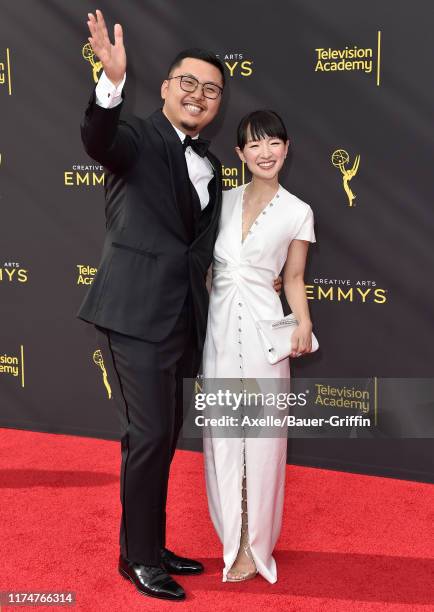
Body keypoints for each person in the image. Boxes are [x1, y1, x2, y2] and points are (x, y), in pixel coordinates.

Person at [78, 10, 225, 602]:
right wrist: (109, 85)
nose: (198, 94)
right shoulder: (136, 137)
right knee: (149, 435)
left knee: (162, 438)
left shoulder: (211, 164)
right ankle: (135, 558)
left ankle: (149, 541)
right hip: (134, 314)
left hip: (178, 318)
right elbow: (99, 139)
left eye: (211, 89)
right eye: (187, 82)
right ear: (164, 88)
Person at [202, 110, 316, 583]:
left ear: (287, 149)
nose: (265, 153)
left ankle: (256, 545)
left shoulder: (297, 211)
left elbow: (293, 277)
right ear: (240, 154)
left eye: (274, 143)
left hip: (267, 334)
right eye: (254, 145)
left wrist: (303, 324)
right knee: (225, 440)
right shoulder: (220, 202)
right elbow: (205, 266)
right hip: (220, 332)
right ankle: (233, 541)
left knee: (264, 443)